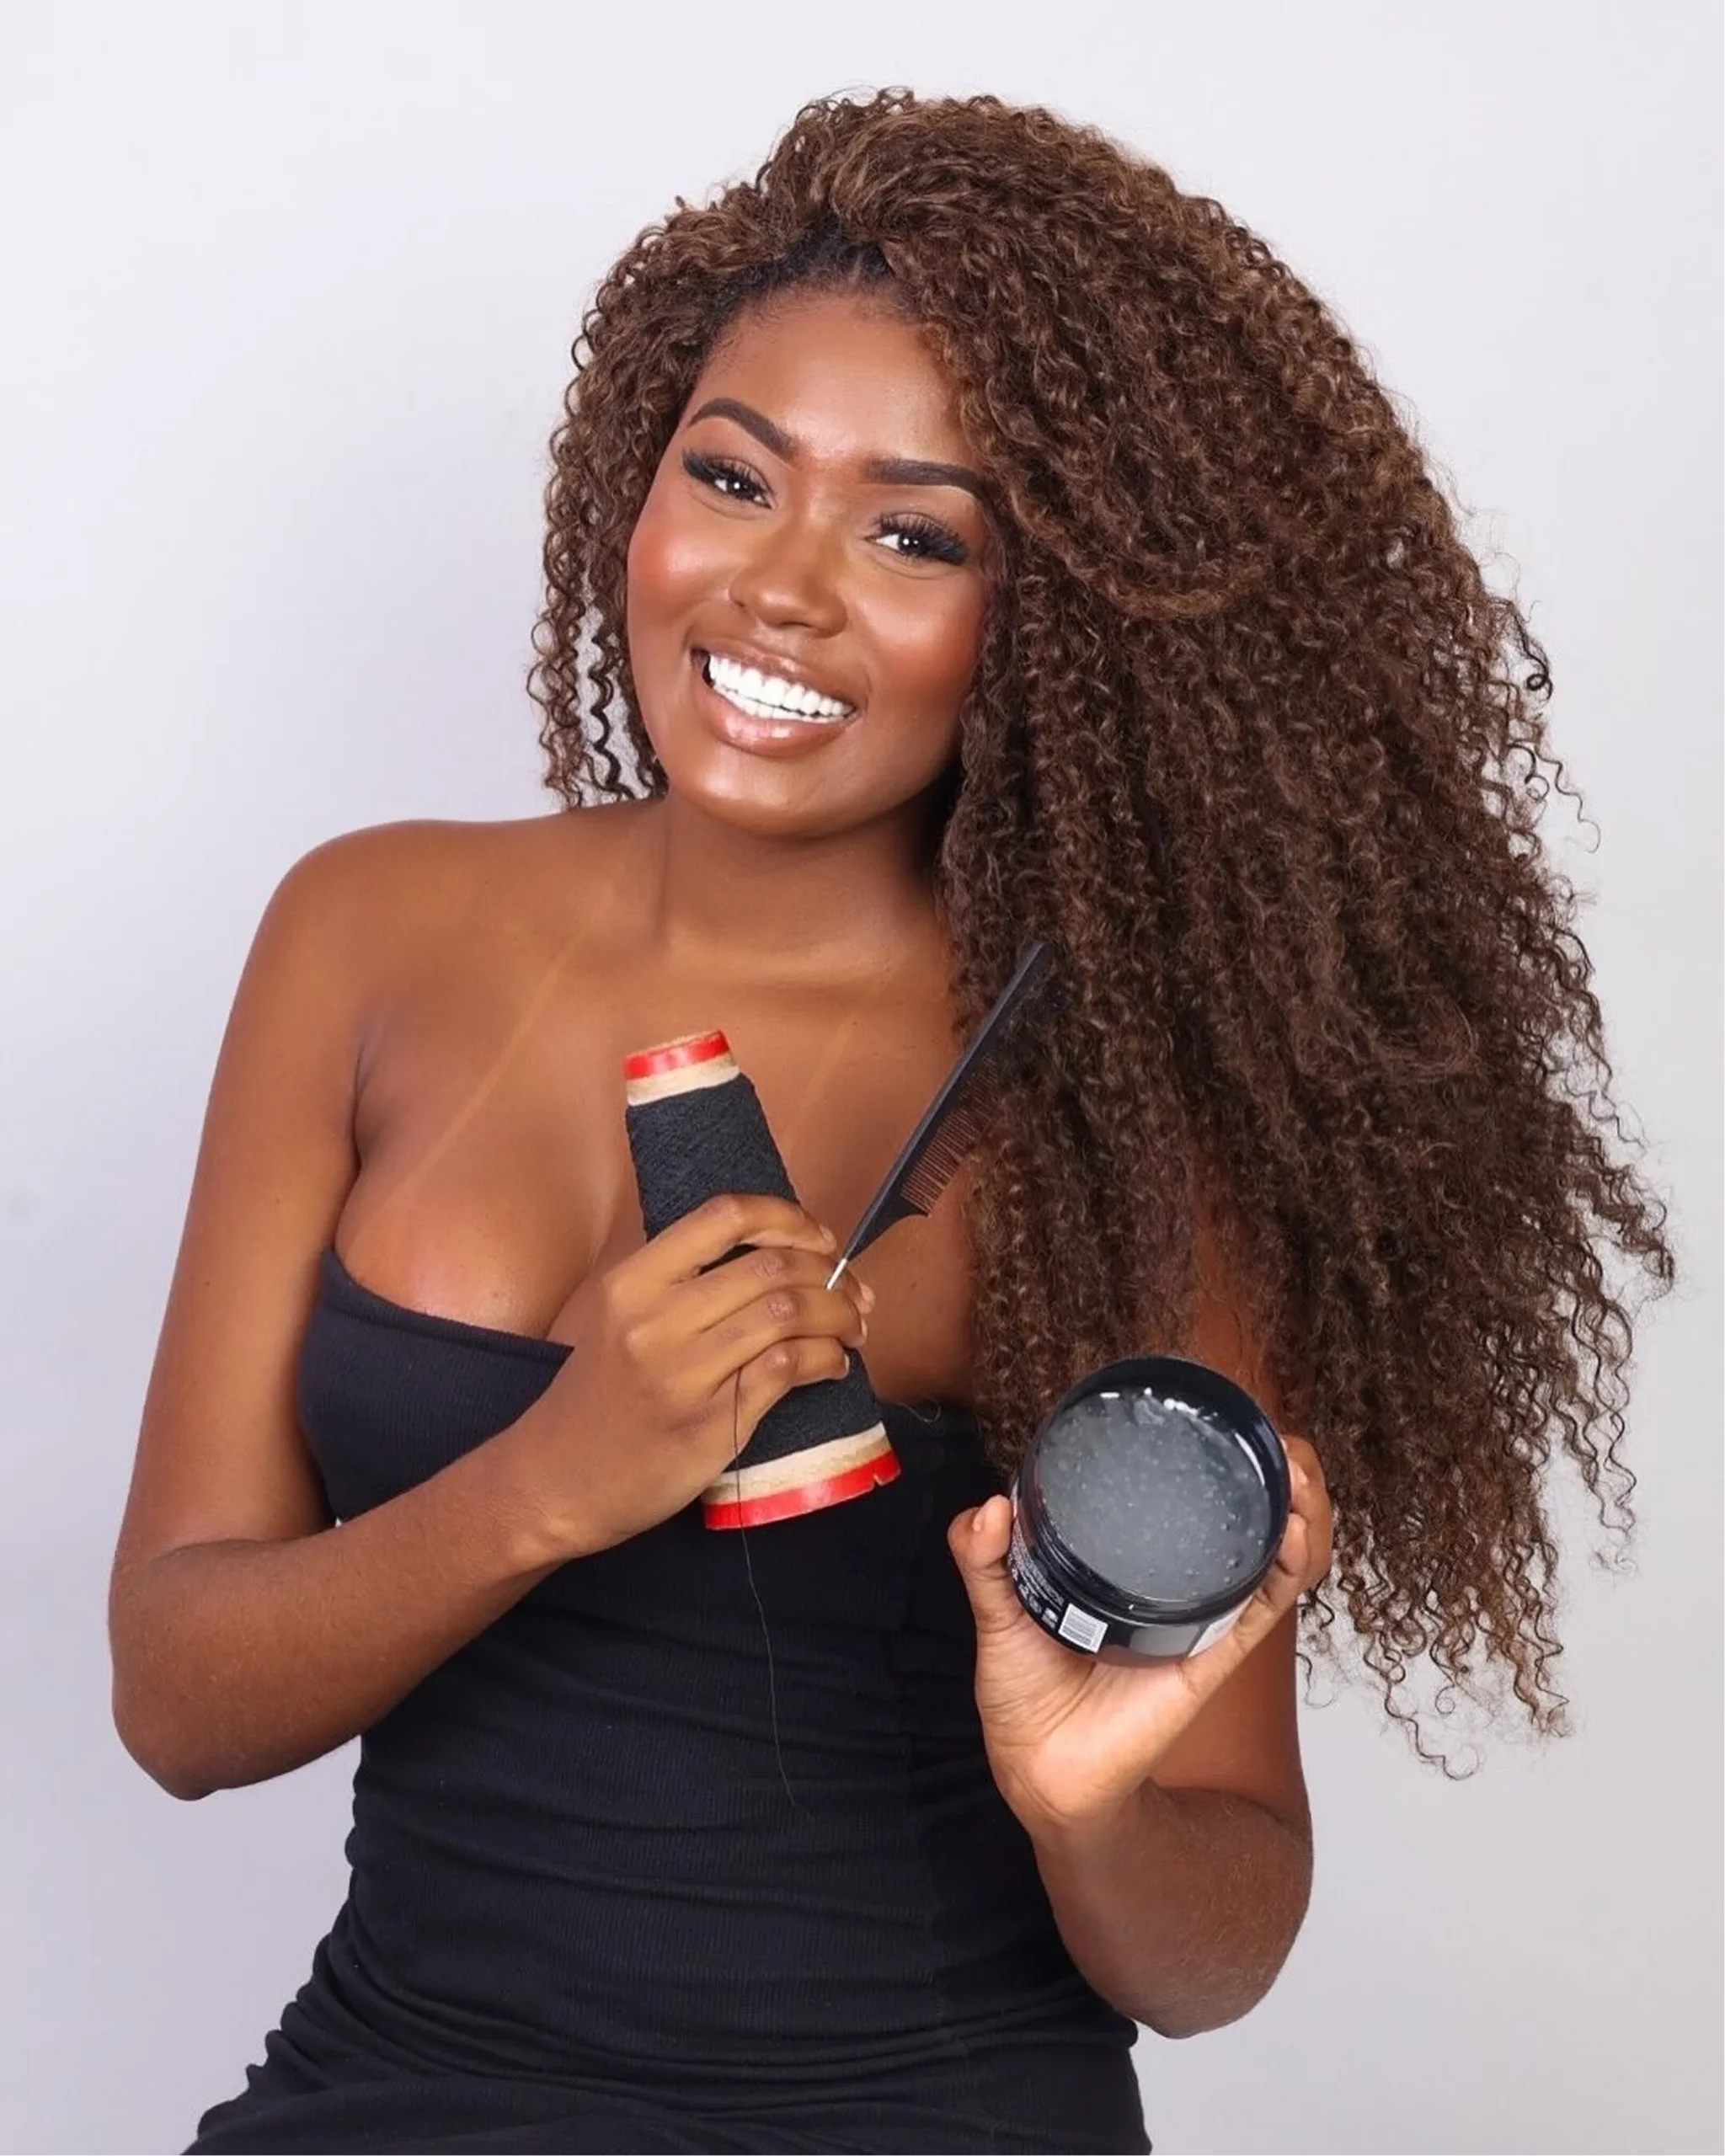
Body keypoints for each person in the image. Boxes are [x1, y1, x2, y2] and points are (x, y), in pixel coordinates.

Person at [109, 89, 1674, 2155]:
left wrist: (1083, 1796)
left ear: (1051, 621)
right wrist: (547, 1481)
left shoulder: (1119, 1098)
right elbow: (178, 1695)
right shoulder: (365, 930)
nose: (781, 589)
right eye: (731, 475)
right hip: (397, 2093)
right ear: (636, 481)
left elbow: (1215, 1939)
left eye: (913, 533)